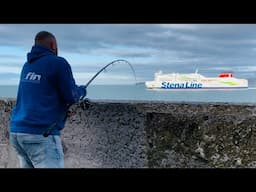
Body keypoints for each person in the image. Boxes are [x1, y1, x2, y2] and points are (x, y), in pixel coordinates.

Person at [9, 31, 86, 168]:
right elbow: (71, 96)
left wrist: (60, 110)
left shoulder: (27, 66)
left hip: (17, 133)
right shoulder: (58, 63)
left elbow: (39, 96)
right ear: (53, 45)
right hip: (40, 135)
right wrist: (82, 90)